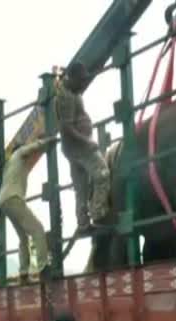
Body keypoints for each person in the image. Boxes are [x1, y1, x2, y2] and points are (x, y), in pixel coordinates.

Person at [55, 62, 111, 233]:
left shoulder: (71, 91)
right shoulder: (65, 96)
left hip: (72, 149)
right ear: (71, 78)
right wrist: (88, 142)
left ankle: (83, 223)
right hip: (79, 147)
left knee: (81, 188)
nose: (83, 83)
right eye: (80, 80)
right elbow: (67, 129)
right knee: (102, 174)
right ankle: (98, 213)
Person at [0, 136, 57, 282]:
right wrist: (46, 141)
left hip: (4, 201)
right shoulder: (18, 154)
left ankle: (23, 273)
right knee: (37, 229)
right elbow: (30, 149)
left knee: (22, 238)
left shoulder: (8, 165)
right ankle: (43, 267)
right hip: (14, 198)